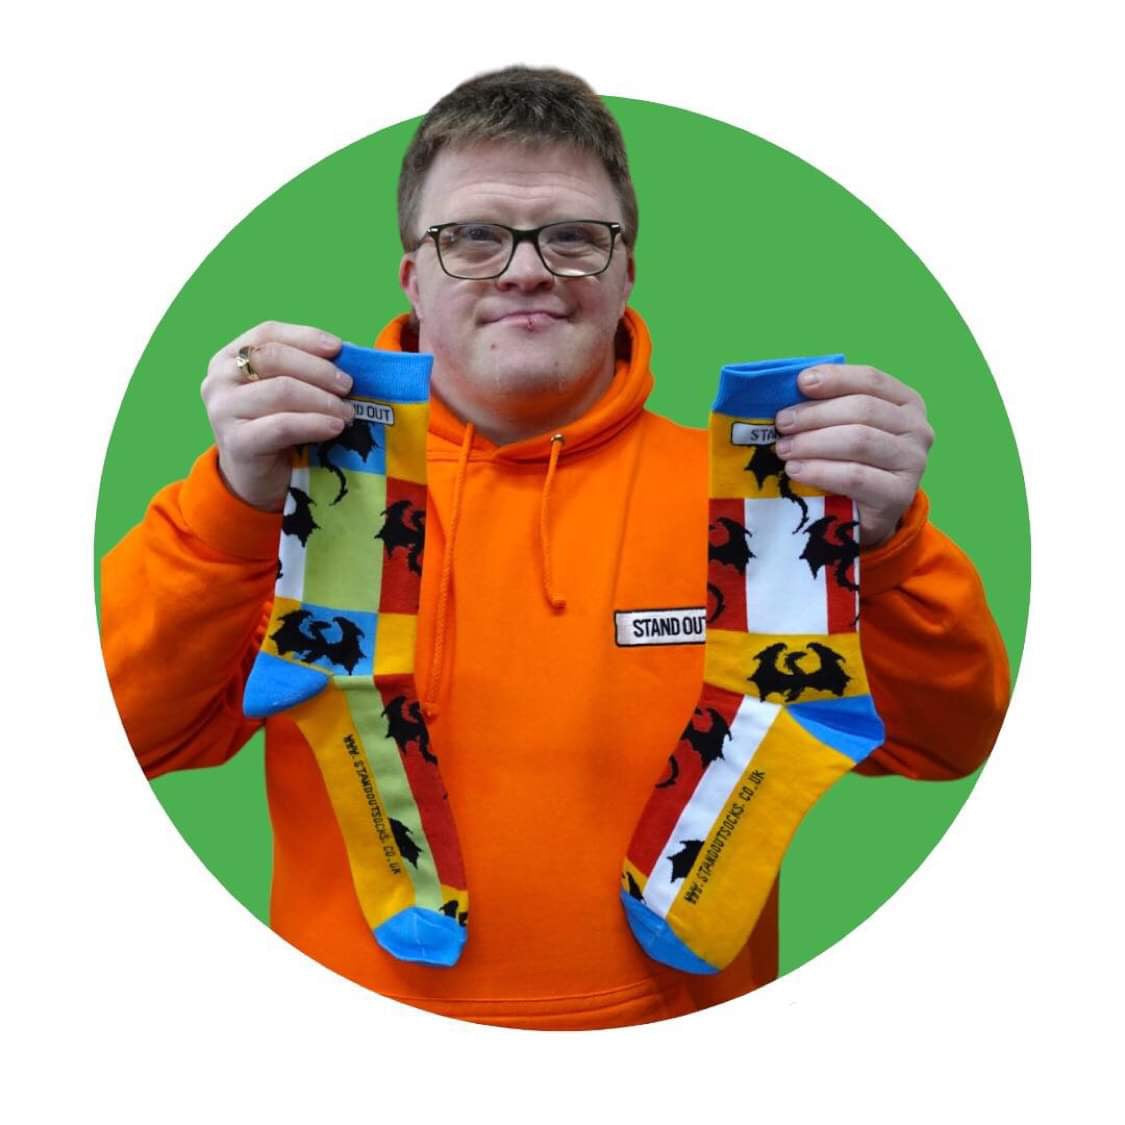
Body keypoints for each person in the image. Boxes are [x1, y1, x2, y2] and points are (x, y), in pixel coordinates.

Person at [100, 65, 1010, 1030]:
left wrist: (890, 545)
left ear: (625, 273)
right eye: (474, 237)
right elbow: (126, 734)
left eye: (573, 237)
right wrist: (235, 504)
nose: (525, 268)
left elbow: (949, 743)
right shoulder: (294, 488)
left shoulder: (763, 495)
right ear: (414, 272)